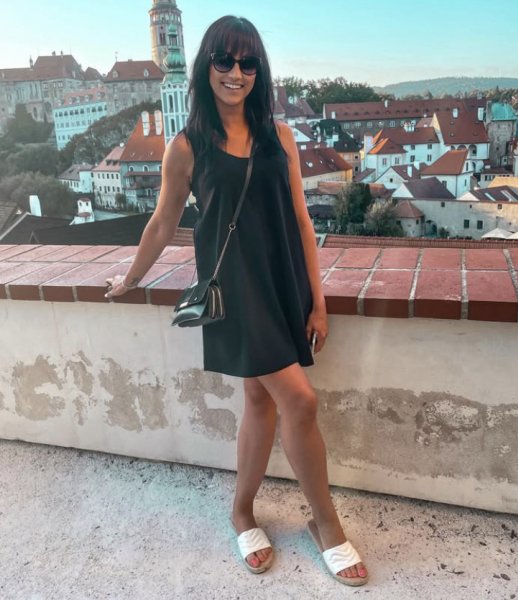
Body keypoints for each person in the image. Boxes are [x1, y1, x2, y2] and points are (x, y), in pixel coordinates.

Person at [104, 15, 368, 587]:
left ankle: (242, 512)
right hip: (236, 292)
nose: (236, 72)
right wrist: (131, 278)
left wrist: (318, 301)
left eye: (248, 62)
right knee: (300, 401)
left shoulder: (280, 136)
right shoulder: (187, 147)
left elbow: (302, 221)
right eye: (224, 60)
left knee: (259, 401)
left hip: (282, 282)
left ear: (259, 71)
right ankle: (326, 523)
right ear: (206, 67)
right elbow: (162, 222)